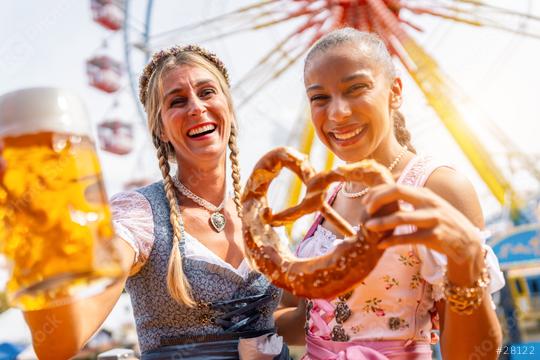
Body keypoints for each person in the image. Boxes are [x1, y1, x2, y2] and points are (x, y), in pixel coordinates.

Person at [18, 45, 292, 359]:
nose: (196, 107)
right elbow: (58, 343)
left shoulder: (264, 218)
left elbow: (293, 317)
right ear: (159, 127)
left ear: (228, 106)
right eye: (177, 101)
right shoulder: (140, 215)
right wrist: (33, 241)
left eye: (207, 92)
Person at [290, 28, 504, 359]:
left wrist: (467, 263)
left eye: (356, 89)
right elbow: (297, 315)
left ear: (395, 91)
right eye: (319, 98)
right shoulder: (327, 198)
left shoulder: (439, 188)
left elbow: (476, 354)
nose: (337, 113)